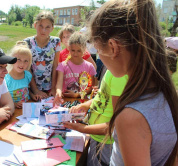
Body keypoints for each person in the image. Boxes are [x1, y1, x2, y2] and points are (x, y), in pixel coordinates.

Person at [89, 0, 178, 165]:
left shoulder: (131, 117)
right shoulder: (167, 95)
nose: (99, 56)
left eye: (98, 49)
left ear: (113, 47)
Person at [64, 70, 128, 166]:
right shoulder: (111, 70)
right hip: (96, 138)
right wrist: (87, 105)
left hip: (106, 144)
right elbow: (101, 96)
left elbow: (116, 125)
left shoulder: (120, 76)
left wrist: (82, 128)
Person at [24, 10, 61, 99]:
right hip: (31, 88)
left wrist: (53, 88)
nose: (43, 30)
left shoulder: (56, 42)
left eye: (47, 27)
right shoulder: (27, 43)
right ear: (35, 25)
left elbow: (55, 65)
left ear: (52, 28)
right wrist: (35, 90)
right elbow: (27, 67)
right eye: (40, 26)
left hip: (49, 89)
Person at [54, 32, 96, 104]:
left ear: (84, 50)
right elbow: (59, 84)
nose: (75, 53)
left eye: (79, 51)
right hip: (65, 102)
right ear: (69, 48)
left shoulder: (89, 67)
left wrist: (77, 94)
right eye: (73, 50)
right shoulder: (63, 65)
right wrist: (58, 92)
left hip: (82, 103)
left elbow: (91, 88)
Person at [5, 41, 39, 109]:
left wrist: (32, 96)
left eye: (26, 61)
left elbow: (26, 90)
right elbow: (2, 98)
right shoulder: (6, 78)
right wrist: (14, 104)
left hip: (27, 107)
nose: (22, 64)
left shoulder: (27, 75)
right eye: (19, 60)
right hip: (13, 110)